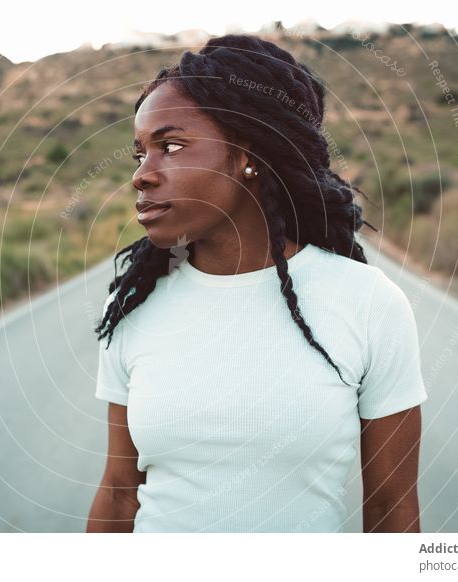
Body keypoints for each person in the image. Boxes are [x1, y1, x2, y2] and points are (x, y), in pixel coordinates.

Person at [86, 34, 428, 533]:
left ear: (247, 154)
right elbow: (119, 496)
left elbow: (391, 512)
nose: (143, 175)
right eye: (140, 153)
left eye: (171, 146)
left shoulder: (368, 304)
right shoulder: (135, 306)